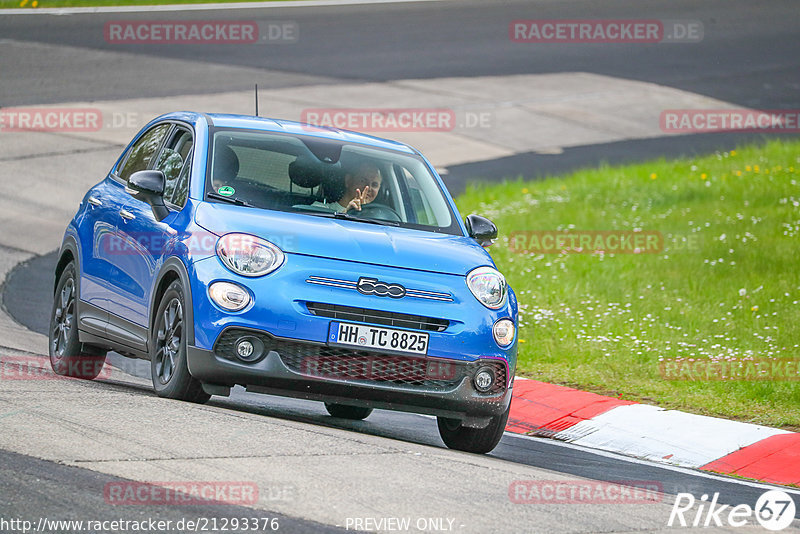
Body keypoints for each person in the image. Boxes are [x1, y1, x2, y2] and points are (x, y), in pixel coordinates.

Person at [314, 162, 382, 213]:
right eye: (362, 181)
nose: (368, 188)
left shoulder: (379, 217)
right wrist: (347, 213)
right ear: (348, 180)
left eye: (374, 184)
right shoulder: (320, 208)